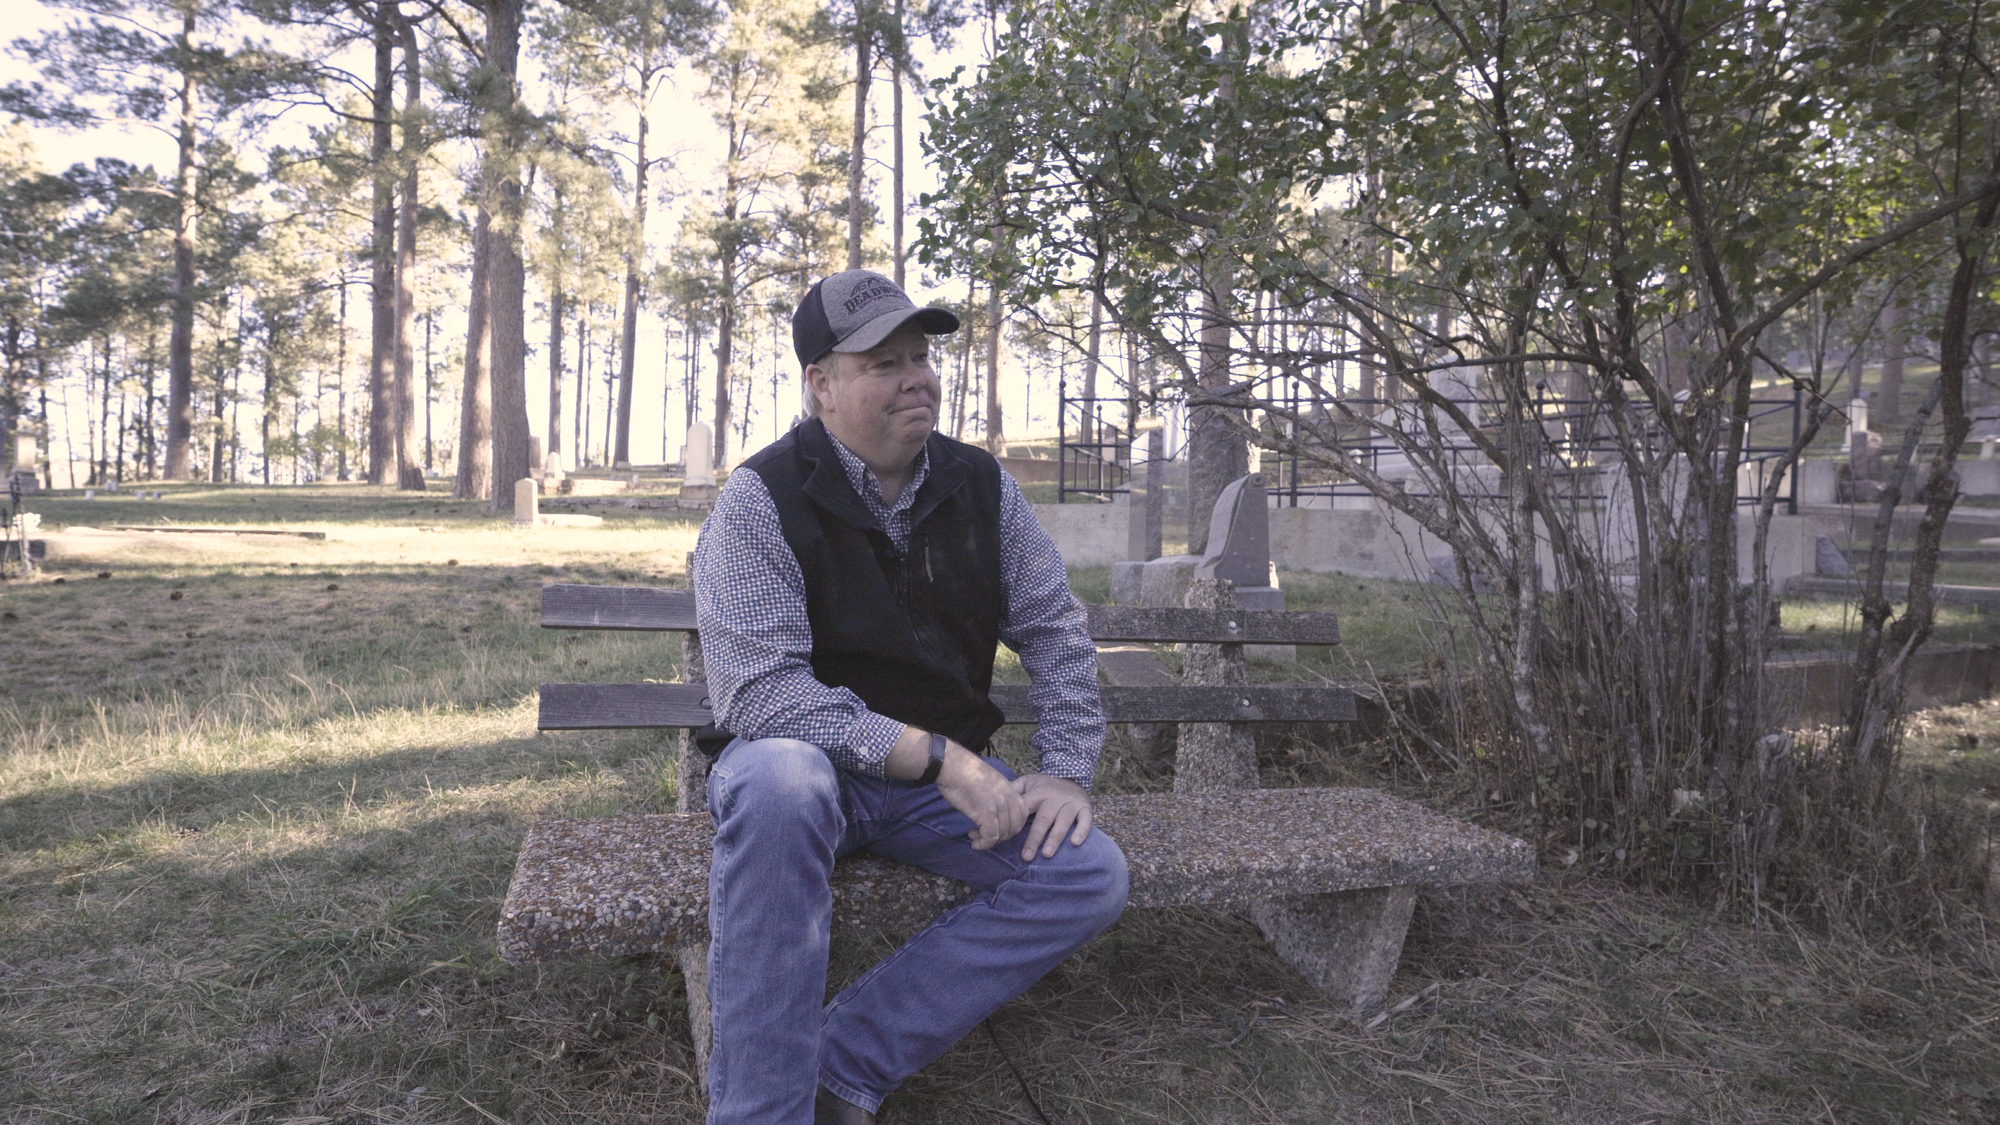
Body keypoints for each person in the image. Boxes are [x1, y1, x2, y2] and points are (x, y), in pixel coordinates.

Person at [690, 269, 1129, 1125]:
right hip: (811, 776)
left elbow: (1054, 629)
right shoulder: (760, 499)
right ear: (822, 384)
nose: (917, 377)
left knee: (1087, 873)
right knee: (778, 781)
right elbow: (761, 695)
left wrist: (1068, 771)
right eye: (882, 363)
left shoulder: (982, 487)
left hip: (938, 790)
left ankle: (842, 1067)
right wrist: (938, 757)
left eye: (921, 358)